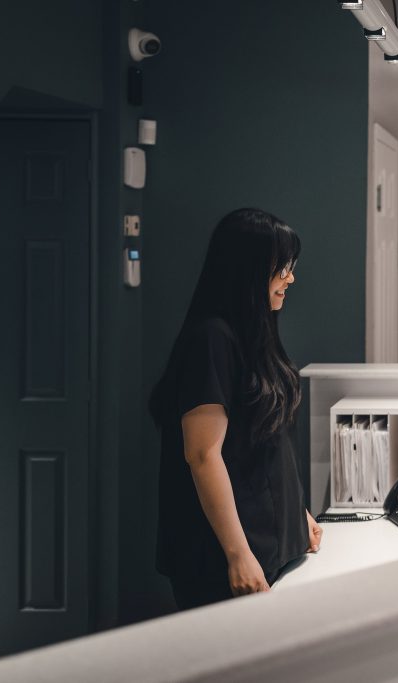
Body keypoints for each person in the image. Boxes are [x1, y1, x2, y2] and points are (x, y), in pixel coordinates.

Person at [149, 208, 323, 610]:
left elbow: (265, 443)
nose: (290, 279)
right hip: (224, 555)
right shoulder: (211, 339)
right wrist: (237, 554)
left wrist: (295, 515)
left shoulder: (255, 334)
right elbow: (203, 455)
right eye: (283, 267)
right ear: (250, 270)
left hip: (269, 544)